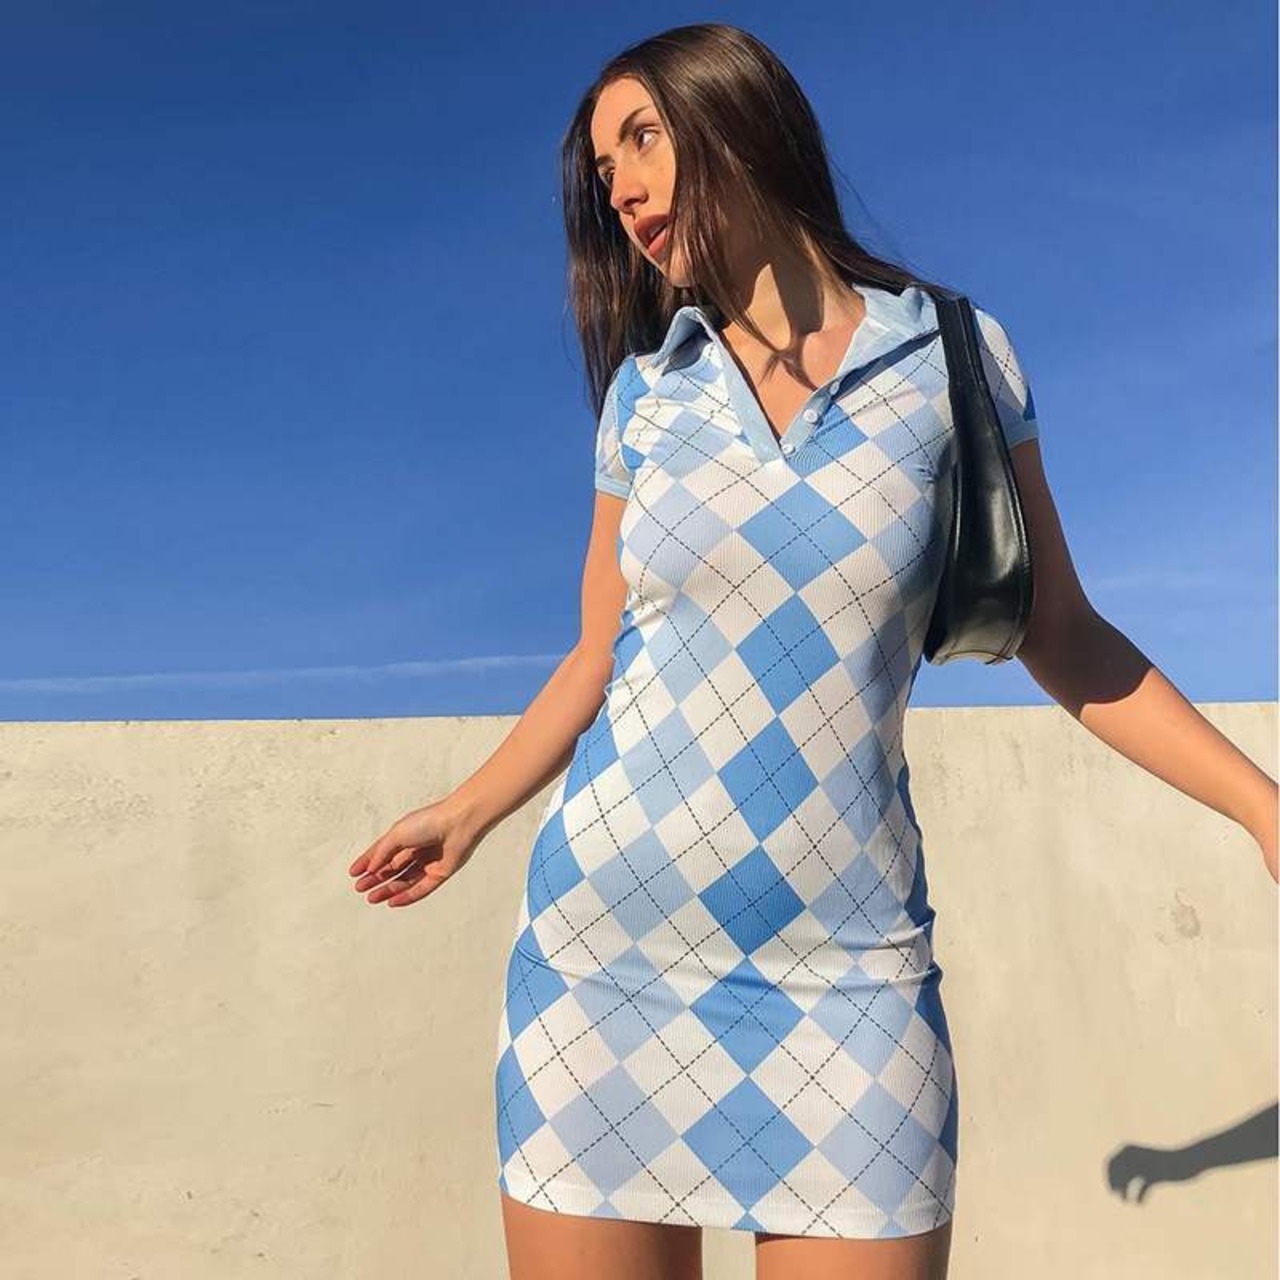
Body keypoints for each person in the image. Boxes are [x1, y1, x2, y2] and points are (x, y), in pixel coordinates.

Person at [348, 22, 1279, 1280]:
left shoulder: (951, 360)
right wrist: (464, 813)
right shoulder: (646, 397)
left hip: (850, 984)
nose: (619, 189)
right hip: (598, 966)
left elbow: (1059, 631)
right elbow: (594, 655)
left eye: (642, 139)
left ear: (738, 120)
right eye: (601, 170)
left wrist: (1260, 808)